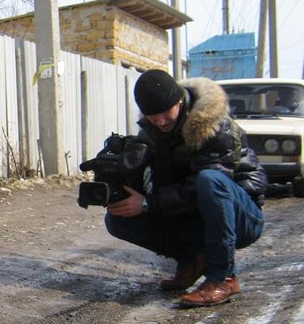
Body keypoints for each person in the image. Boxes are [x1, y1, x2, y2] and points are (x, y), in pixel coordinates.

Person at [105, 69, 267, 307]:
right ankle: (191, 261)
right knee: (117, 218)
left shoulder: (213, 125)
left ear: (179, 101)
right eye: (152, 116)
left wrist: (150, 203)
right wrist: (121, 178)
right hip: (198, 214)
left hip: (242, 215)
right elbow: (156, 185)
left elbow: (208, 187)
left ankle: (223, 277)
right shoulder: (150, 133)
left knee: (209, 180)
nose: (160, 121)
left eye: (165, 113)